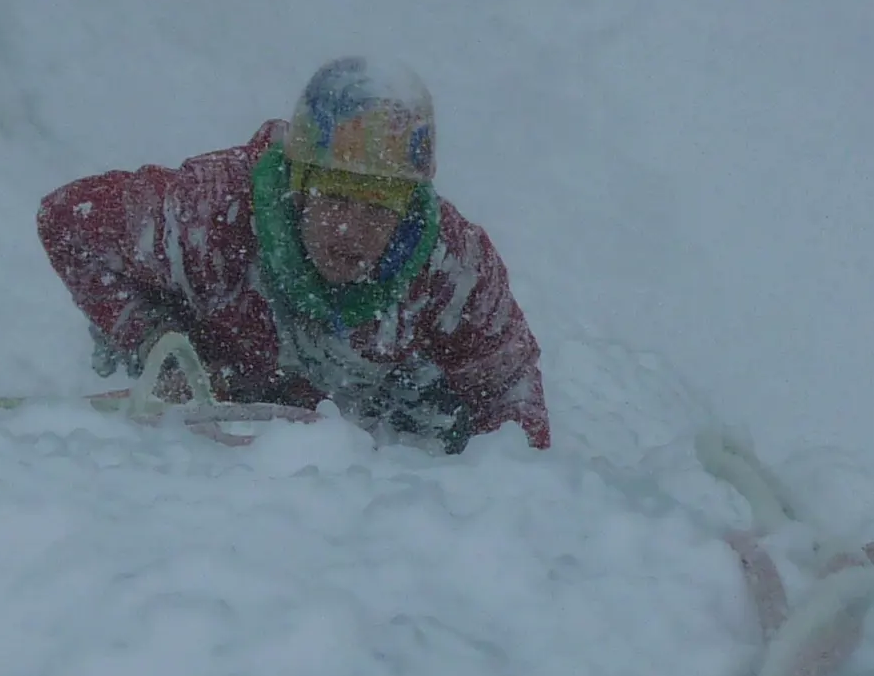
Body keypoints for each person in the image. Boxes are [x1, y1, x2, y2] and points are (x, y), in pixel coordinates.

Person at [36, 58, 550, 451]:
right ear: (299, 183)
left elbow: (508, 383)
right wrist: (154, 343)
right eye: (335, 197)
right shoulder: (211, 212)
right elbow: (67, 220)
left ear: (411, 204)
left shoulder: (452, 266)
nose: (351, 229)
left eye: (380, 208)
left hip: (371, 407)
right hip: (214, 369)